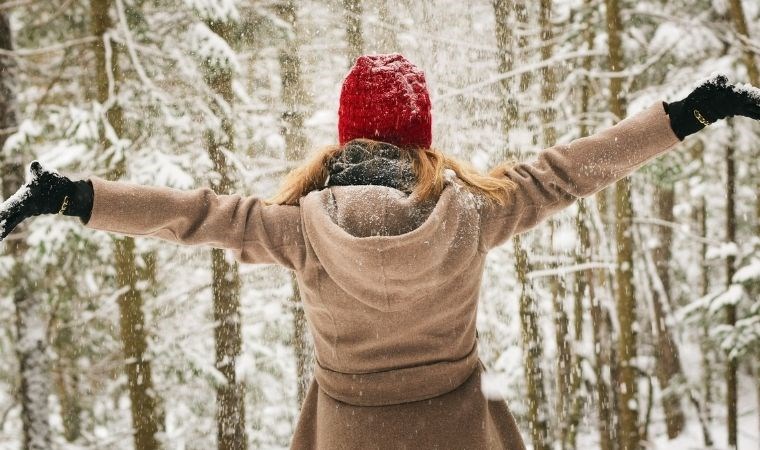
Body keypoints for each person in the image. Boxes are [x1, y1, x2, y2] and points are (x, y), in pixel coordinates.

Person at [1, 53, 759, 449]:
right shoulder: (474, 213)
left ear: (345, 134)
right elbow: (571, 171)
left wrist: (75, 198)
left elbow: (195, 217)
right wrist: (689, 114)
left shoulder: (298, 229)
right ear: (421, 134)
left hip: (346, 436)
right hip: (461, 435)